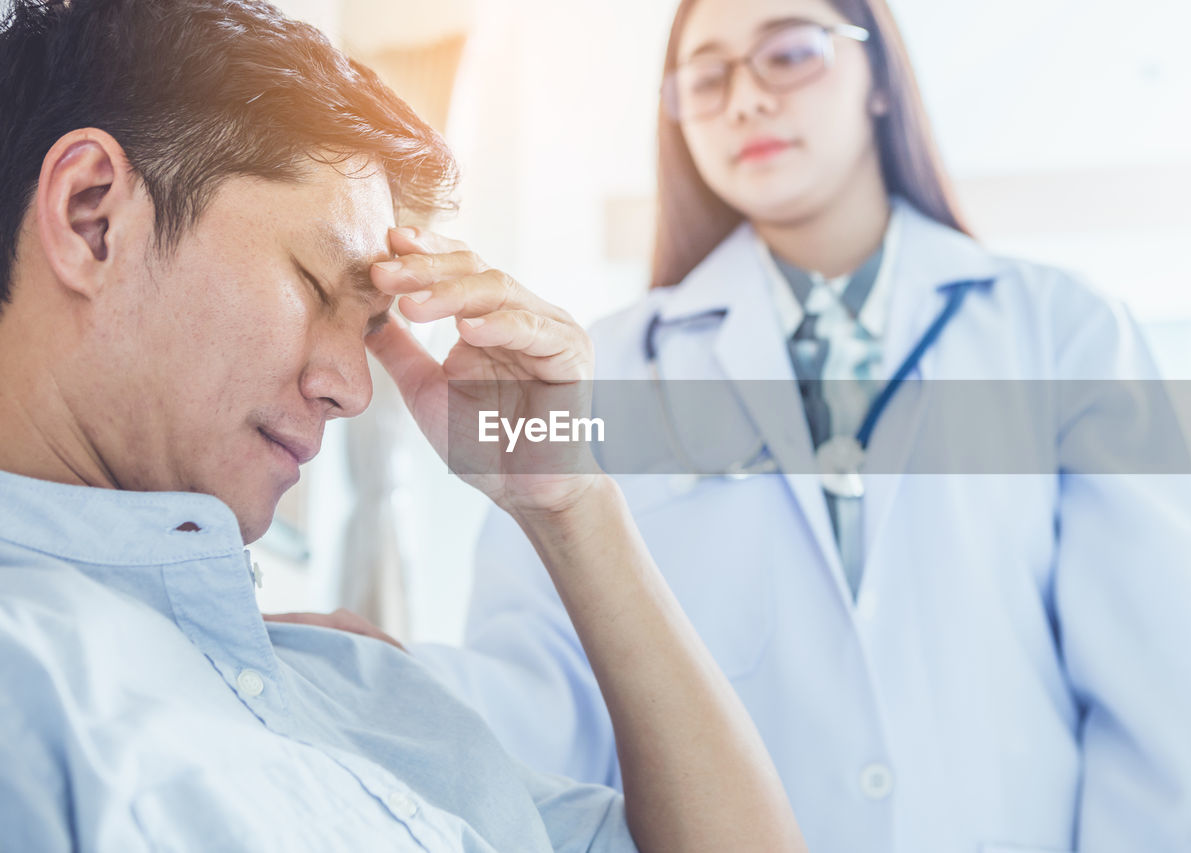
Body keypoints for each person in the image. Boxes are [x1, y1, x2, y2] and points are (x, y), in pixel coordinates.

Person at [326, 0, 1191, 850]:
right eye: (709, 75)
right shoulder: (592, 371)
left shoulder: (1060, 333)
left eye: (791, 53)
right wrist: (389, 681)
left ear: (879, 78)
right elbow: (551, 703)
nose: (748, 98)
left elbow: (1165, 706)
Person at [0, 2, 807, 851]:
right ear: (93, 216)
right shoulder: (35, 676)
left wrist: (569, 500)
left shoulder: (371, 689)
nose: (353, 389)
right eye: (316, 286)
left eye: (372, 326)